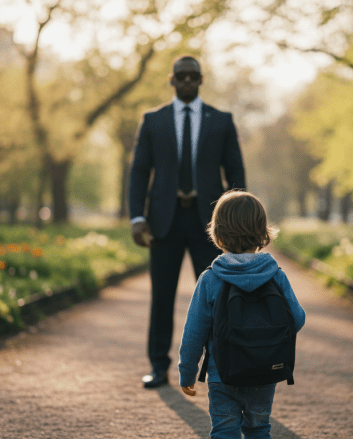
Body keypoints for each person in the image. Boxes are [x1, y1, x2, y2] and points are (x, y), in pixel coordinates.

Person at [128, 55, 246, 388]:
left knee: (216, 297)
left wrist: (236, 218)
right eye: (182, 76)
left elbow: (235, 170)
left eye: (194, 76)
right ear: (172, 80)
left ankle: (219, 366)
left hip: (210, 224)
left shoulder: (221, 121)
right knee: (161, 296)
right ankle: (158, 366)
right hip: (163, 221)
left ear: (201, 79)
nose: (188, 81)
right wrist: (137, 217)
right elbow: (139, 171)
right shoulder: (153, 120)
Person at [178, 190, 306, 438]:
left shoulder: (211, 278)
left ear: (218, 232)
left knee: (225, 430)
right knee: (259, 429)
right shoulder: (275, 275)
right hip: (265, 370)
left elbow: (194, 332)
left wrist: (187, 373)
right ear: (262, 231)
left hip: (222, 374)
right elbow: (297, 319)